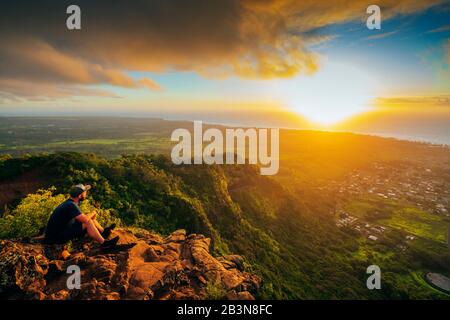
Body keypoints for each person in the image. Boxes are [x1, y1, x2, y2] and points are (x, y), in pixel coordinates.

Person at [44, 184, 119, 248]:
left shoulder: (71, 203)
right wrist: (93, 212)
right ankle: (104, 244)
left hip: (60, 232)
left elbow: (81, 218)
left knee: (89, 219)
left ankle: (103, 232)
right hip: (55, 238)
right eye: (85, 192)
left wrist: (91, 216)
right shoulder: (71, 205)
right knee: (88, 221)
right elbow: (85, 220)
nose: (86, 194)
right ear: (80, 195)